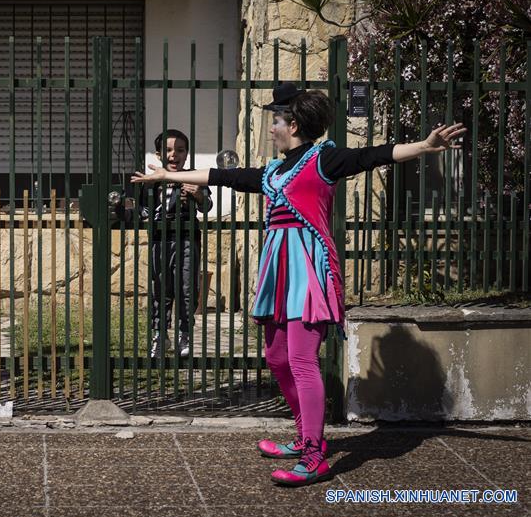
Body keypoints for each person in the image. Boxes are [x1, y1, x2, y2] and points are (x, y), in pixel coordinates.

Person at [131, 84, 465, 486]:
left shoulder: (325, 158)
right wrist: (168, 174)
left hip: (308, 271)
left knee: (303, 361)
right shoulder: (275, 169)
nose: (271, 128)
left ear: (292, 124)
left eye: (275, 121)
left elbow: (373, 155)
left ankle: (313, 454)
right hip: (278, 271)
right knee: (276, 357)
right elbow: (227, 176)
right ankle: (306, 434)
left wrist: (424, 147)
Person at [135, 129, 212, 359]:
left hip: (187, 239)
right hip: (160, 240)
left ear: (187, 154)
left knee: (187, 289)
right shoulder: (152, 182)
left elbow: (206, 206)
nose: (173, 155)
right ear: (159, 154)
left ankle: (184, 334)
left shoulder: (193, 176)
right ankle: (160, 335)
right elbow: (144, 210)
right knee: (161, 289)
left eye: (179, 150)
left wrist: (198, 194)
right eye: (168, 150)